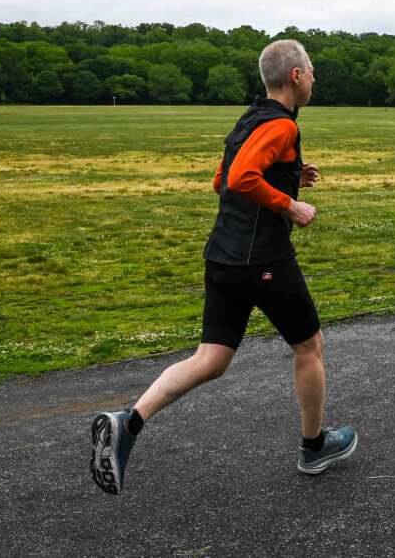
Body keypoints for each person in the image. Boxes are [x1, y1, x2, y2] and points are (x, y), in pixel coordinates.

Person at [89, 39, 357, 495]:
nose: (313, 78)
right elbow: (239, 179)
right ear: (295, 76)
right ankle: (314, 447)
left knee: (211, 359)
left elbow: (222, 181)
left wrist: (290, 174)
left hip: (222, 258)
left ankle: (128, 423)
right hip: (263, 260)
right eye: (310, 71)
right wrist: (290, 204)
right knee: (309, 345)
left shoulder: (249, 119)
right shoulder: (281, 127)